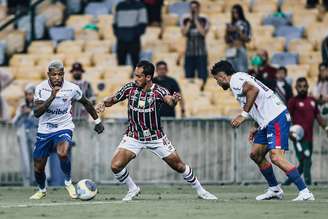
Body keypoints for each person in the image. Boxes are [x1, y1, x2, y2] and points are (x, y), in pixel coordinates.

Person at [96, 60, 217, 201]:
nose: (136, 79)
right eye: (135, 75)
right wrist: (103, 103)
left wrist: (175, 100)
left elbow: (169, 101)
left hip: (155, 137)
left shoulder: (159, 91)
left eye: (139, 76)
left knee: (178, 166)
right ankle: (133, 188)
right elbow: (113, 99)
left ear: (148, 77)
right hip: (134, 136)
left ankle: (201, 191)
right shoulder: (130, 88)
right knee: (115, 166)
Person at [210, 60, 314, 201]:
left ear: (222, 76)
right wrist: (255, 125)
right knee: (256, 154)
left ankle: (305, 192)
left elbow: (253, 91)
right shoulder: (240, 77)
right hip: (266, 121)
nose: (218, 83)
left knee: (276, 157)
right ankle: (275, 189)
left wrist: (243, 115)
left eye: (217, 80)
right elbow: (257, 101)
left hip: (276, 118)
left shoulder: (235, 80)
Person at [29, 60, 104, 200]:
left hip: (64, 126)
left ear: (64, 74)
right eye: (54, 74)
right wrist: (52, 96)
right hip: (45, 129)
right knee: (39, 167)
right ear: (48, 75)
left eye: (60, 74)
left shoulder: (72, 88)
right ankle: (42, 190)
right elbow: (37, 112)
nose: (57, 77)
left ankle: (68, 182)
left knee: (62, 152)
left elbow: (87, 103)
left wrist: (97, 121)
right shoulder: (40, 88)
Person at [284, 77, 328, 185]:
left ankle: (288, 182)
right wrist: (288, 132)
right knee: (306, 159)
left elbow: (318, 117)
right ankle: (308, 184)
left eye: (304, 86)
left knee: (304, 163)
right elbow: (286, 117)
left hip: (309, 137)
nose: (302, 89)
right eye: (300, 86)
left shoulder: (312, 101)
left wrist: (326, 128)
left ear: (308, 87)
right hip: (298, 136)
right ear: (296, 88)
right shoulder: (292, 101)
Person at [180, 0, 209, 91]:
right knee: (189, 76)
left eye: (195, 7)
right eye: (191, 8)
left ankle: (203, 92)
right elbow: (184, 33)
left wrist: (195, 19)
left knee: (202, 75)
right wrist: (190, 21)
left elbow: (203, 33)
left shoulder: (204, 19)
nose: (193, 9)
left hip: (201, 53)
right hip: (189, 53)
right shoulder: (185, 19)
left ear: (198, 8)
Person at [12, 84, 38, 186]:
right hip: (24, 134)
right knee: (25, 159)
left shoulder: (40, 106)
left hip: (35, 134)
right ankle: (26, 182)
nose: (28, 97)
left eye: (30, 94)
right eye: (27, 94)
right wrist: (21, 114)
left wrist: (31, 112)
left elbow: (41, 121)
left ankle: (40, 182)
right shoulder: (21, 107)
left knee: (37, 159)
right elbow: (14, 122)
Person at [113, 0, 147, 69]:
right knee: (121, 65)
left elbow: (143, 23)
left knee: (136, 65)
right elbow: (115, 23)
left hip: (134, 40)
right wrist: (119, 35)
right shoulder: (119, 6)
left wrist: (135, 35)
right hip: (121, 40)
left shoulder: (140, 6)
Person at [225, 4, 251, 72]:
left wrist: (238, 30)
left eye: (236, 12)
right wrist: (227, 31)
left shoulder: (245, 23)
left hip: (240, 49)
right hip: (231, 50)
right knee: (231, 73)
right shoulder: (231, 24)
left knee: (242, 73)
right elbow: (227, 40)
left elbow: (248, 38)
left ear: (240, 12)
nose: (235, 14)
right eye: (233, 12)